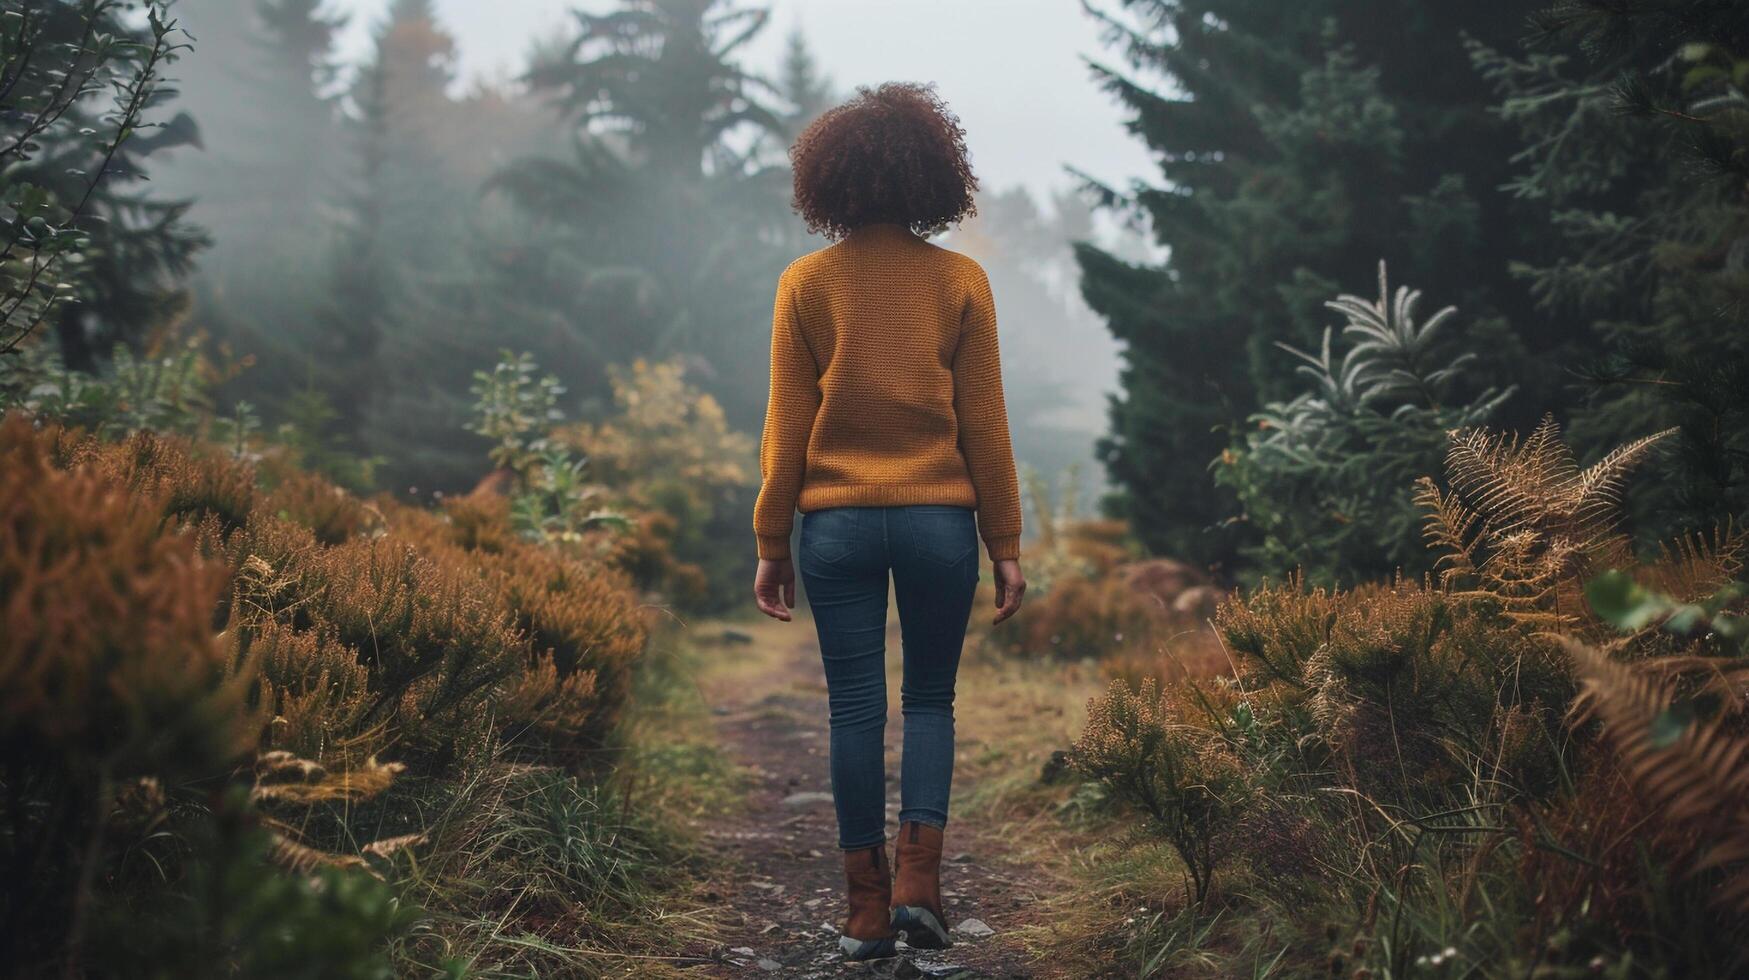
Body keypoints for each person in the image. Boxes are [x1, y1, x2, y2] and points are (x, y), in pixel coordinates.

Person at [750, 81, 1027, 961]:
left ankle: (866, 908)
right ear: (929, 176)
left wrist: (770, 541)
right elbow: (985, 425)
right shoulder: (960, 282)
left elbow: (784, 428)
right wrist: (1007, 543)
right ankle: (921, 884)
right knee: (931, 700)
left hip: (833, 527)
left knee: (854, 711)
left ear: (827, 181)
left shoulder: (806, 284)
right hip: (939, 523)